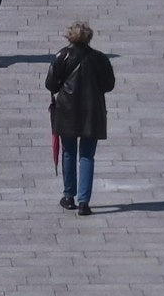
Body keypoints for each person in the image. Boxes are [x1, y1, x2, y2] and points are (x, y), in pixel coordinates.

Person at [44, 21, 115, 215]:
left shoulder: (62, 56)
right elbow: (109, 84)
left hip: (67, 110)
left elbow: (50, 84)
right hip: (93, 111)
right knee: (87, 155)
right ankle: (84, 202)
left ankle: (69, 196)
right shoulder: (99, 58)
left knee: (68, 152)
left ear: (69, 37)